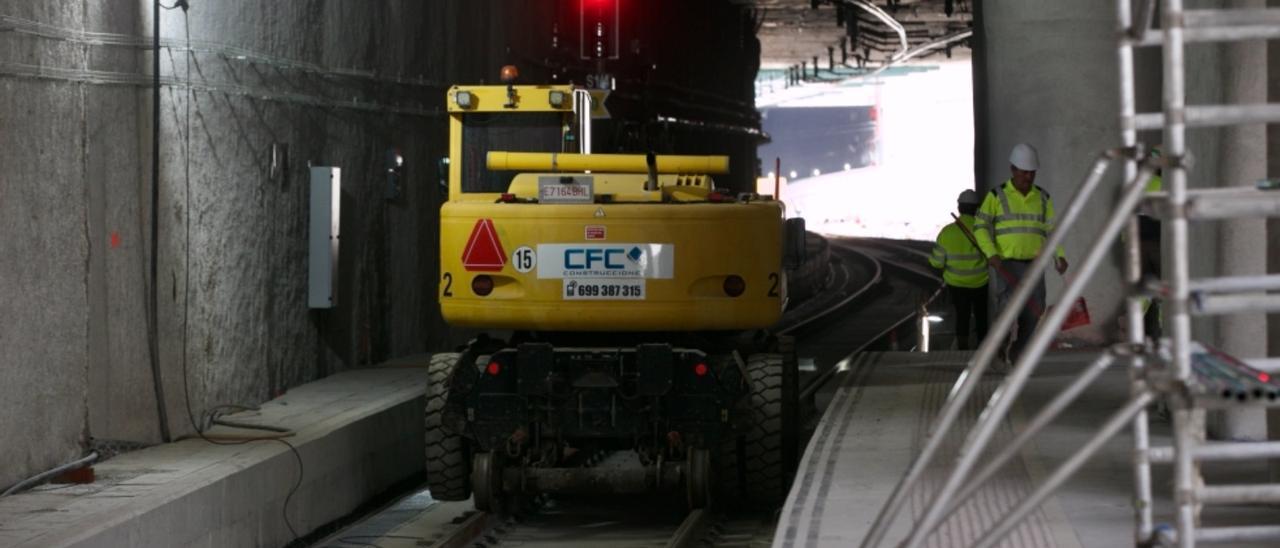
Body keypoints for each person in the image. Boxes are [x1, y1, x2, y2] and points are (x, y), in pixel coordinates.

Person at [973, 143, 1069, 362]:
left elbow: (1051, 230)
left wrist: (1059, 255)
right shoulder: (996, 196)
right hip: (1006, 264)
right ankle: (1000, 345)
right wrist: (992, 254)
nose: (1028, 176)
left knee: (1035, 310)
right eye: (1024, 172)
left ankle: (1018, 350)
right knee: (1006, 310)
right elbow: (980, 226)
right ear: (1013, 170)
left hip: (1034, 265)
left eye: (1032, 172)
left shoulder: (1043, 198)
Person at [929, 190, 990, 350]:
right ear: (977, 208)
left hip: (956, 284)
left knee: (962, 315)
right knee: (981, 315)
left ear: (959, 207)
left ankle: (963, 348)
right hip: (980, 282)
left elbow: (936, 263)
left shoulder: (947, 232)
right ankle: (984, 347)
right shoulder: (984, 231)